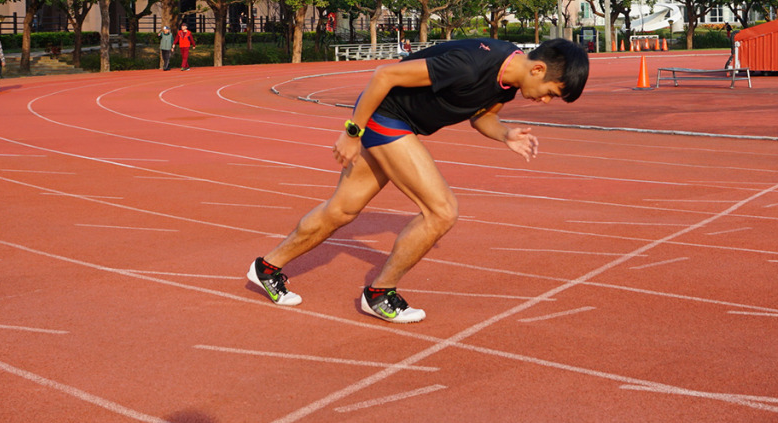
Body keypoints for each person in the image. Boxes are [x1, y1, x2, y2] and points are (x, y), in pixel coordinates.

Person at [246, 37, 589, 323]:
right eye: (550, 93)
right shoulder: (469, 63)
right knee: (441, 212)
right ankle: (379, 294)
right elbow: (385, 75)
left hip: (396, 124)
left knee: (342, 210)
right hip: (385, 118)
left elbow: (481, 117)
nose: (544, 100)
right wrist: (352, 131)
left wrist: (505, 133)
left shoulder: (509, 81)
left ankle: (267, 267)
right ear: (538, 69)